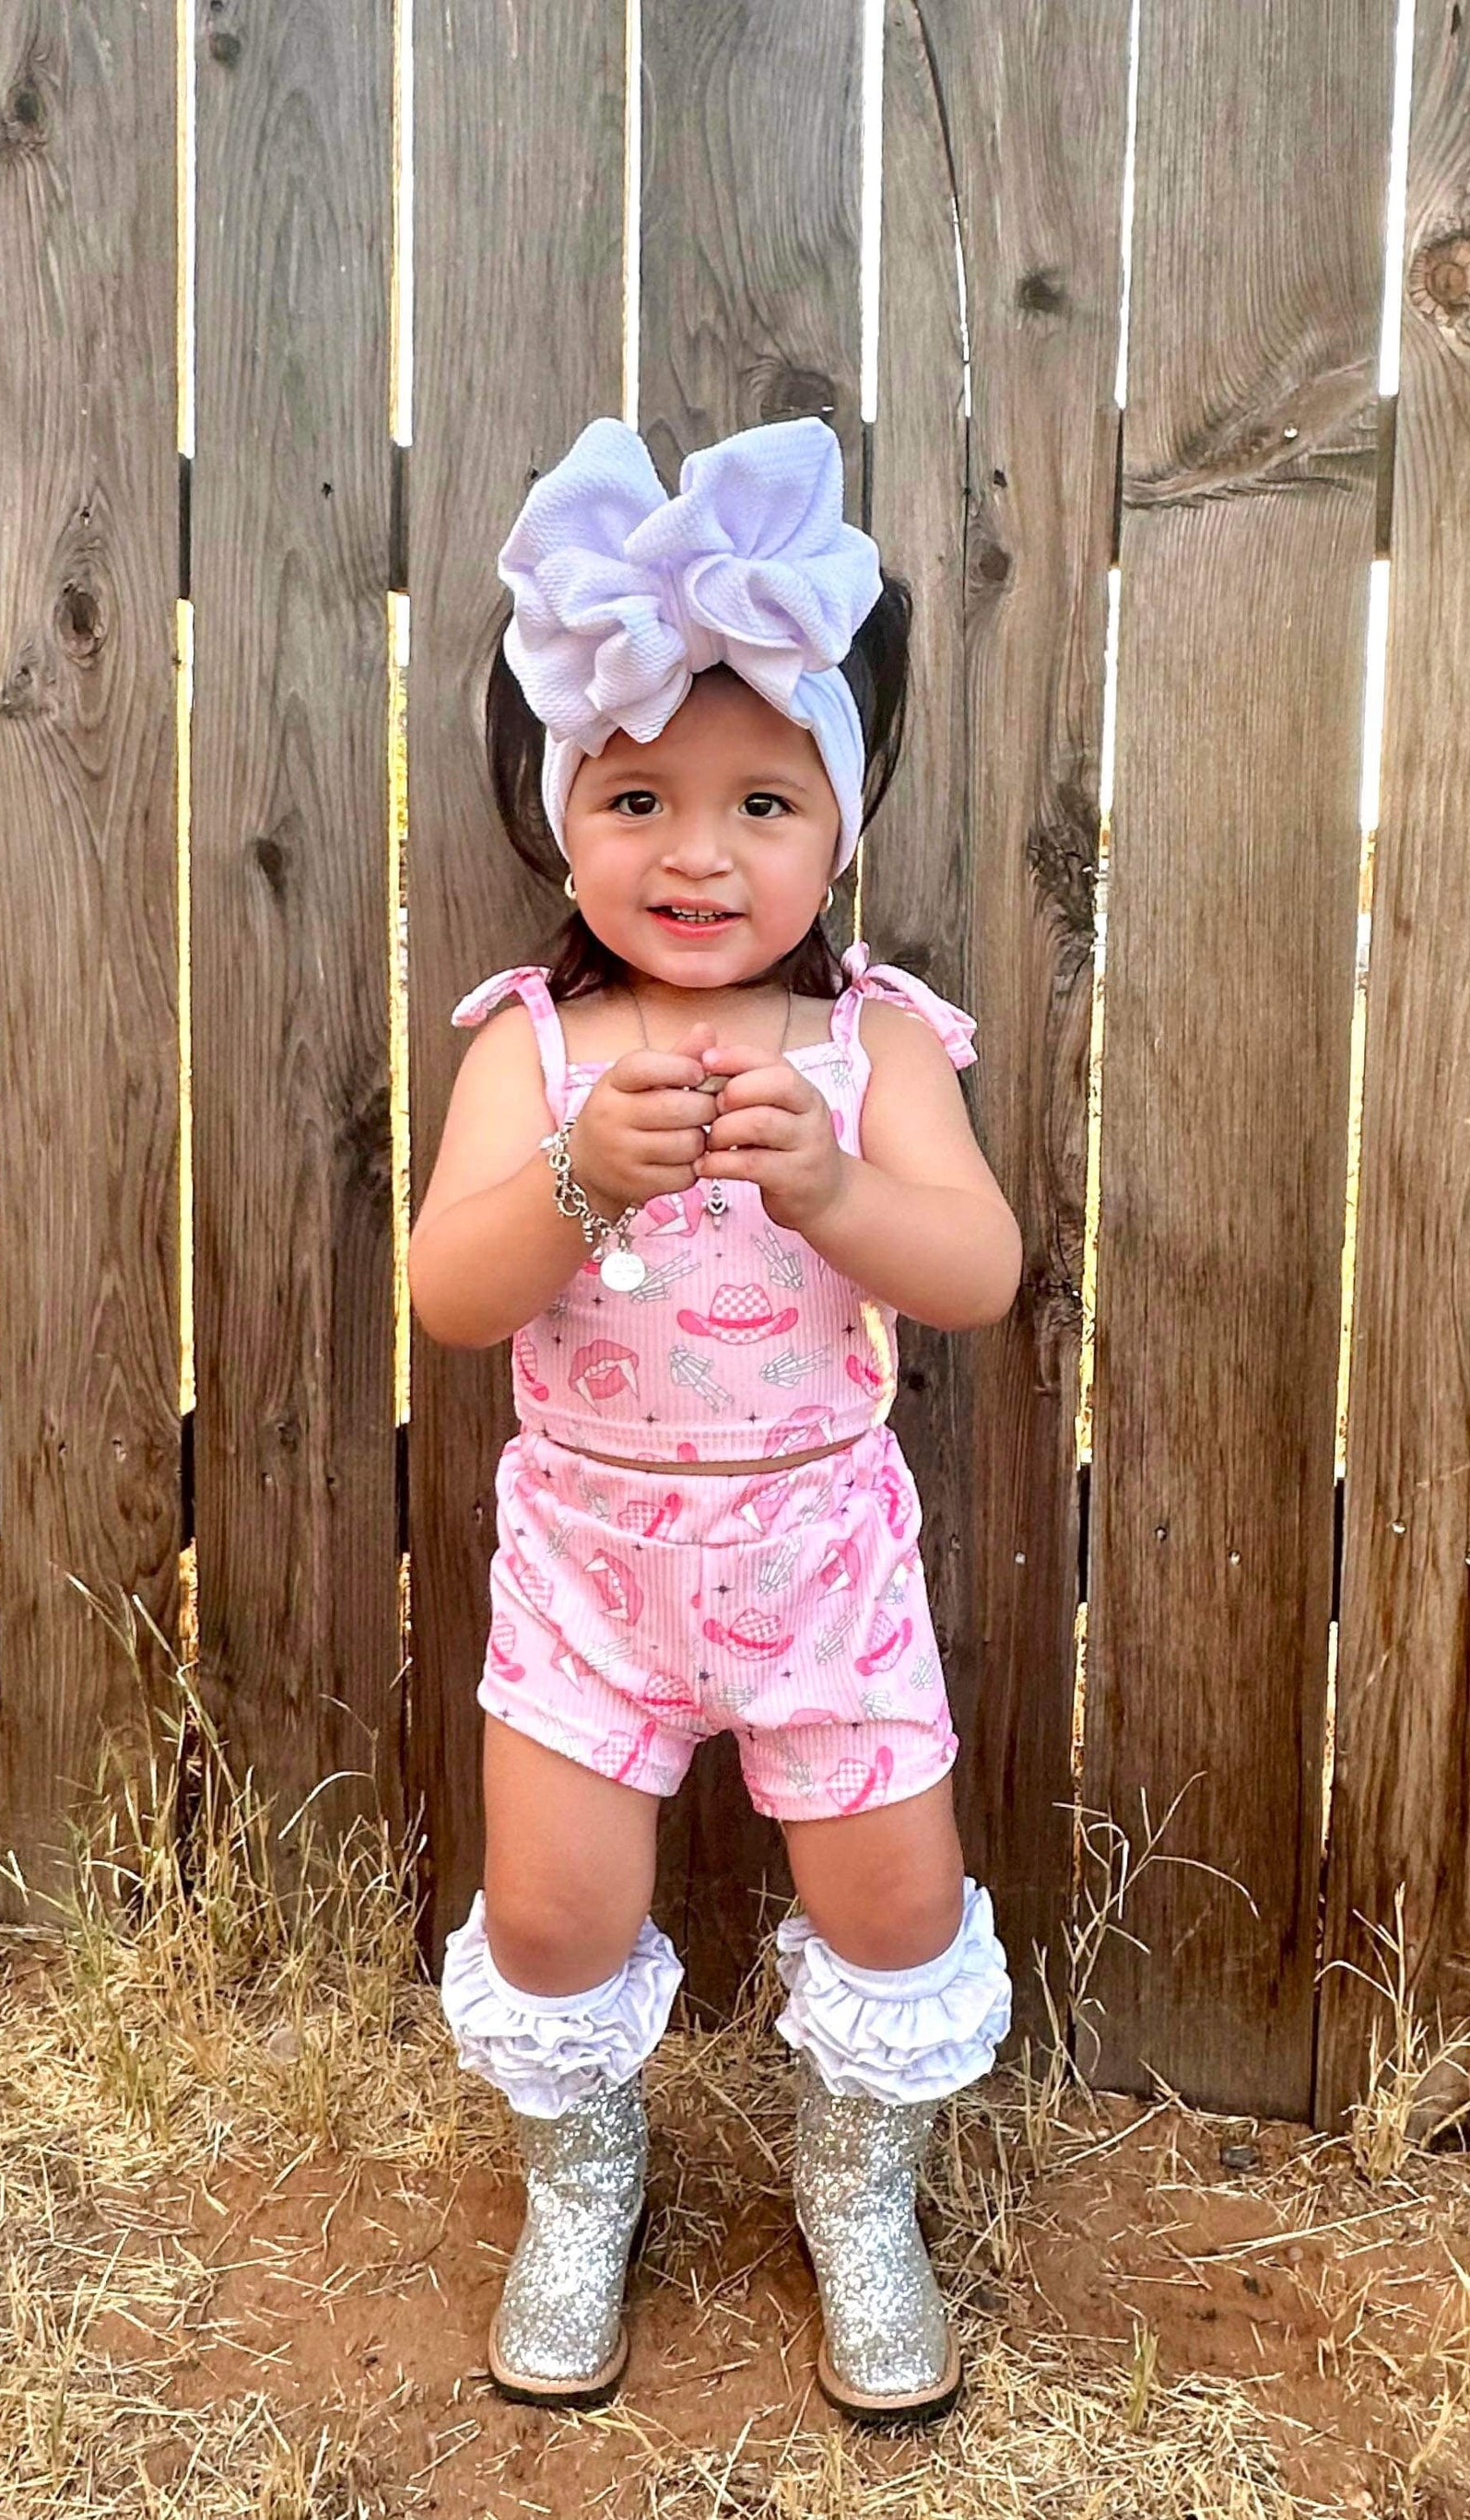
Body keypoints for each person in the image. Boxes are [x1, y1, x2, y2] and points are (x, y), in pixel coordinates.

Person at [406, 414, 1021, 2425]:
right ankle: (581, 2185)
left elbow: (977, 1269)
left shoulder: (870, 1041)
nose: (696, 852)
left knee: (894, 1903)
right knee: (549, 1915)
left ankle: (859, 2193)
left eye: (762, 800)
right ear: (560, 817)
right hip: (589, 1565)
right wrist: (576, 1179)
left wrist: (832, 1188)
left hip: (817, 1554)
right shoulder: (534, 1049)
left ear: (836, 824)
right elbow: (450, 1293)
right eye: (638, 797)